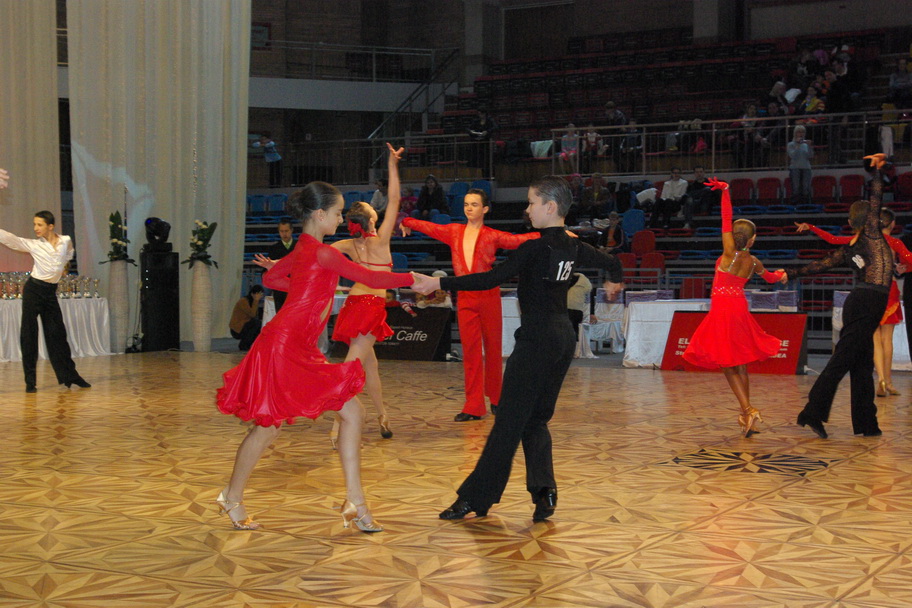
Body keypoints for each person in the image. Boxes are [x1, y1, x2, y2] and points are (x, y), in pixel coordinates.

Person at [411, 175, 623, 522]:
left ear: (550, 207)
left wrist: (439, 281)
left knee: (508, 424)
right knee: (535, 420)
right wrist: (615, 281)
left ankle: (475, 498)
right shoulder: (573, 246)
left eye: (532, 202)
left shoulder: (534, 248)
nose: (527, 209)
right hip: (563, 338)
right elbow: (611, 262)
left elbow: (490, 279)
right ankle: (545, 492)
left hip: (537, 339)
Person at [215, 179, 414, 532]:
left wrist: (308, 287)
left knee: (345, 413)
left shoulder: (304, 249)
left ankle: (355, 503)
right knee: (269, 428)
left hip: (294, 345)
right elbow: (370, 278)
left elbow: (272, 279)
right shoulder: (324, 253)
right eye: (337, 213)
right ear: (320, 214)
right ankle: (233, 496)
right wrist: (415, 278)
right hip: (285, 346)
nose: (341, 219)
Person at [401, 189, 539, 421]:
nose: (469, 208)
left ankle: (497, 398)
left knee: (493, 349)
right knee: (471, 353)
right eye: (466, 204)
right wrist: (407, 221)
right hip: (465, 298)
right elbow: (429, 227)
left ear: (485, 209)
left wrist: (554, 234)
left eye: (474, 204)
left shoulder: (492, 235)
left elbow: (519, 240)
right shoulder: (454, 231)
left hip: (489, 297)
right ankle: (473, 405)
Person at [786, 155, 892, 439]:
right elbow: (876, 198)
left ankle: (867, 424)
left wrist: (790, 274)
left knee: (862, 365)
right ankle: (811, 412)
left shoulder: (850, 247)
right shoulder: (871, 237)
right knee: (842, 360)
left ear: (849, 222)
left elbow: (819, 265)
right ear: (869, 221)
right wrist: (877, 172)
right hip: (866, 303)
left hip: (862, 303)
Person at [682, 179, 785, 437]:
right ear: (752, 239)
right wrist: (781, 275)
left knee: (727, 364)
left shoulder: (728, 254)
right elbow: (771, 278)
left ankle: (749, 409)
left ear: (733, 236)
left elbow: (725, 219)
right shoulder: (753, 261)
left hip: (722, 310)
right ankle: (746, 416)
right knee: (740, 363)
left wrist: (726, 192)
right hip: (739, 308)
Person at [329, 143, 405, 441]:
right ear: (372, 219)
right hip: (370, 307)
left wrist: (280, 263)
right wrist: (392, 165)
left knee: (370, 366)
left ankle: (383, 414)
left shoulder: (350, 245)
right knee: (351, 368)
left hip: (353, 305)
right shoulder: (381, 240)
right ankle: (338, 422)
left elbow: (315, 252)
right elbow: (395, 198)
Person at [795, 209, 912, 398]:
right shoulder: (894, 242)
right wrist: (904, 268)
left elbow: (833, 239)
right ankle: (889, 382)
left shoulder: (862, 240)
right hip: (887, 290)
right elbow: (909, 259)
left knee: (874, 338)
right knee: (887, 339)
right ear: (892, 224)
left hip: (869, 291)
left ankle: (881, 379)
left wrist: (812, 227)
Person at [0, 211, 91, 393]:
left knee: (57, 335)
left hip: (50, 293)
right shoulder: (35, 245)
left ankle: (70, 376)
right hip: (33, 290)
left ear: (50, 226)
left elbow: (69, 253)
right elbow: (12, 239)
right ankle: (30, 382)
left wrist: (64, 266)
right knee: (29, 335)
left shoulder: (65, 240)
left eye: (39, 224)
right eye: (34, 224)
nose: (36, 228)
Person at [266, 218, 295, 311]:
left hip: (296, 287)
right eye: (281, 231)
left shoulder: (299, 246)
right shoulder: (273, 249)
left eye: (286, 231)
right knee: (280, 315)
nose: (284, 234)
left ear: (291, 230)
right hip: (280, 291)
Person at [229, 285, 264, 351]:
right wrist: (256, 300)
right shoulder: (243, 301)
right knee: (256, 323)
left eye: (261, 294)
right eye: (259, 294)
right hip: (237, 329)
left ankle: (247, 344)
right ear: (252, 294)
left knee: (259, 325)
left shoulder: (253, 302)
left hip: (245, 325)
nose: (260, 296)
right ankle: (244, 344)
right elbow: (253, 314)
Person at [787, 126, 814, 205]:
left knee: (806, 188)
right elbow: (793, 156)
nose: (801, 134)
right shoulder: (790, 144)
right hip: (795, 168)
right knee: (796, 188)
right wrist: (798, 145)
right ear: (795, 133)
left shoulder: (805, 145)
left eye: (802, 132)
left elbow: (810, 156)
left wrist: (810, 147)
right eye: (799, 132)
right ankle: (796, 204)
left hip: (806, 168)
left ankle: (805, 204)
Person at [467, 108, 496, 172]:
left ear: (485, 114)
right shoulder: (476, 121)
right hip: (478, 143)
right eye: (479, 114)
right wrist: (471, 132)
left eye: (481, 114)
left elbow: (495, 127)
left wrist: (487, 131)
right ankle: (483, 174)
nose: (480, 115)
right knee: (482, 161)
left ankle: (491, 175)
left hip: (487, 143)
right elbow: (469, 128)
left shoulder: (490, 120)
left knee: (488, 160)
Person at [567, 272, 592, 342]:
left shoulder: (569, 282)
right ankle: (576, 345)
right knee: (576, 329)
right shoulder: (586, 284)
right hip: (578, 310)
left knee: (568, 330)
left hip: (568, 309)